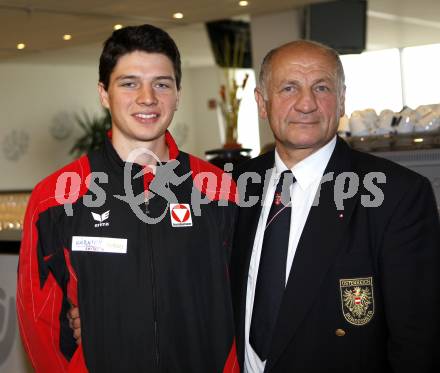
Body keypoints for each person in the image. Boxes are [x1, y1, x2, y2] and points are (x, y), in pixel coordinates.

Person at [17, 24, 239, 373]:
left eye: (162, 84)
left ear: (178, 94)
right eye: (129, 83)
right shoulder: (56, 197)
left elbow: (244, 300)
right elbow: (39, 318)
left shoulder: (219, 189)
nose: (147, 98)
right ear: (104, 94)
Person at [230, 40, 440, 373]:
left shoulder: (398, 195)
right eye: (289, 88)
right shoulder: (232, 185)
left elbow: (417, 340)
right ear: (261, 102)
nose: (306, 104)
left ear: (341, 100)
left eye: (322, 88)